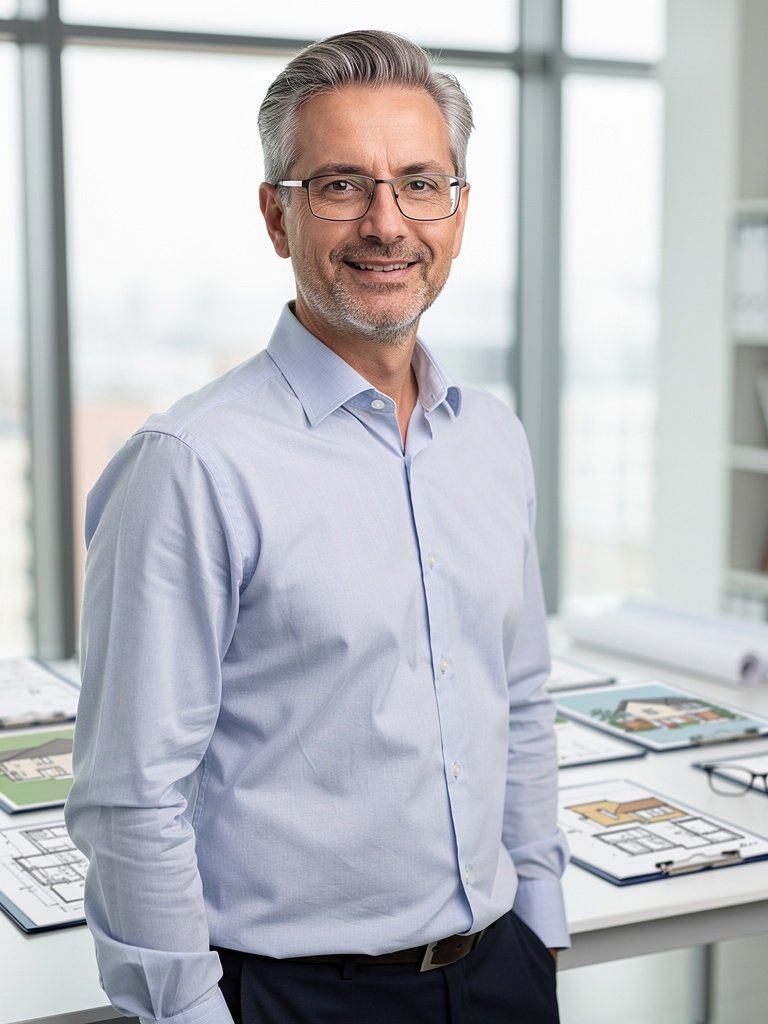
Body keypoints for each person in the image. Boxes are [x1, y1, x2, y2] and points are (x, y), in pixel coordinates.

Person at [66, 28, 569, 1024]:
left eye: (422, 183)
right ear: (276, 214)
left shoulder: (492, 439)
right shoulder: (192, 466)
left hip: (500, 973)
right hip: (300, 998)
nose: (388, 223)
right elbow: (131, 797)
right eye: (342, 183)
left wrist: (541, 928)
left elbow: (517, 702)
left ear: (458, 214)